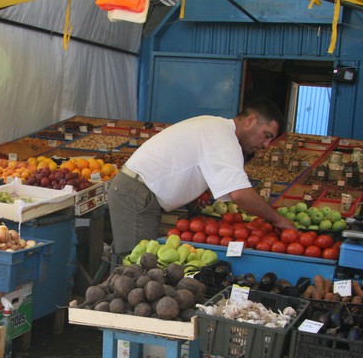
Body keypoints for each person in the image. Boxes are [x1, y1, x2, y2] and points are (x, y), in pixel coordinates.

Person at [108, 98, 296, 256]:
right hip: (137, 193)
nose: (266, 145)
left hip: (138, 193)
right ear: (250, 121)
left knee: (130, 261)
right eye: (266, 135)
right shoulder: (224, 138)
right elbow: (239, 194)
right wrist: (278, 219)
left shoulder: (216, 127)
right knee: (134, 269)